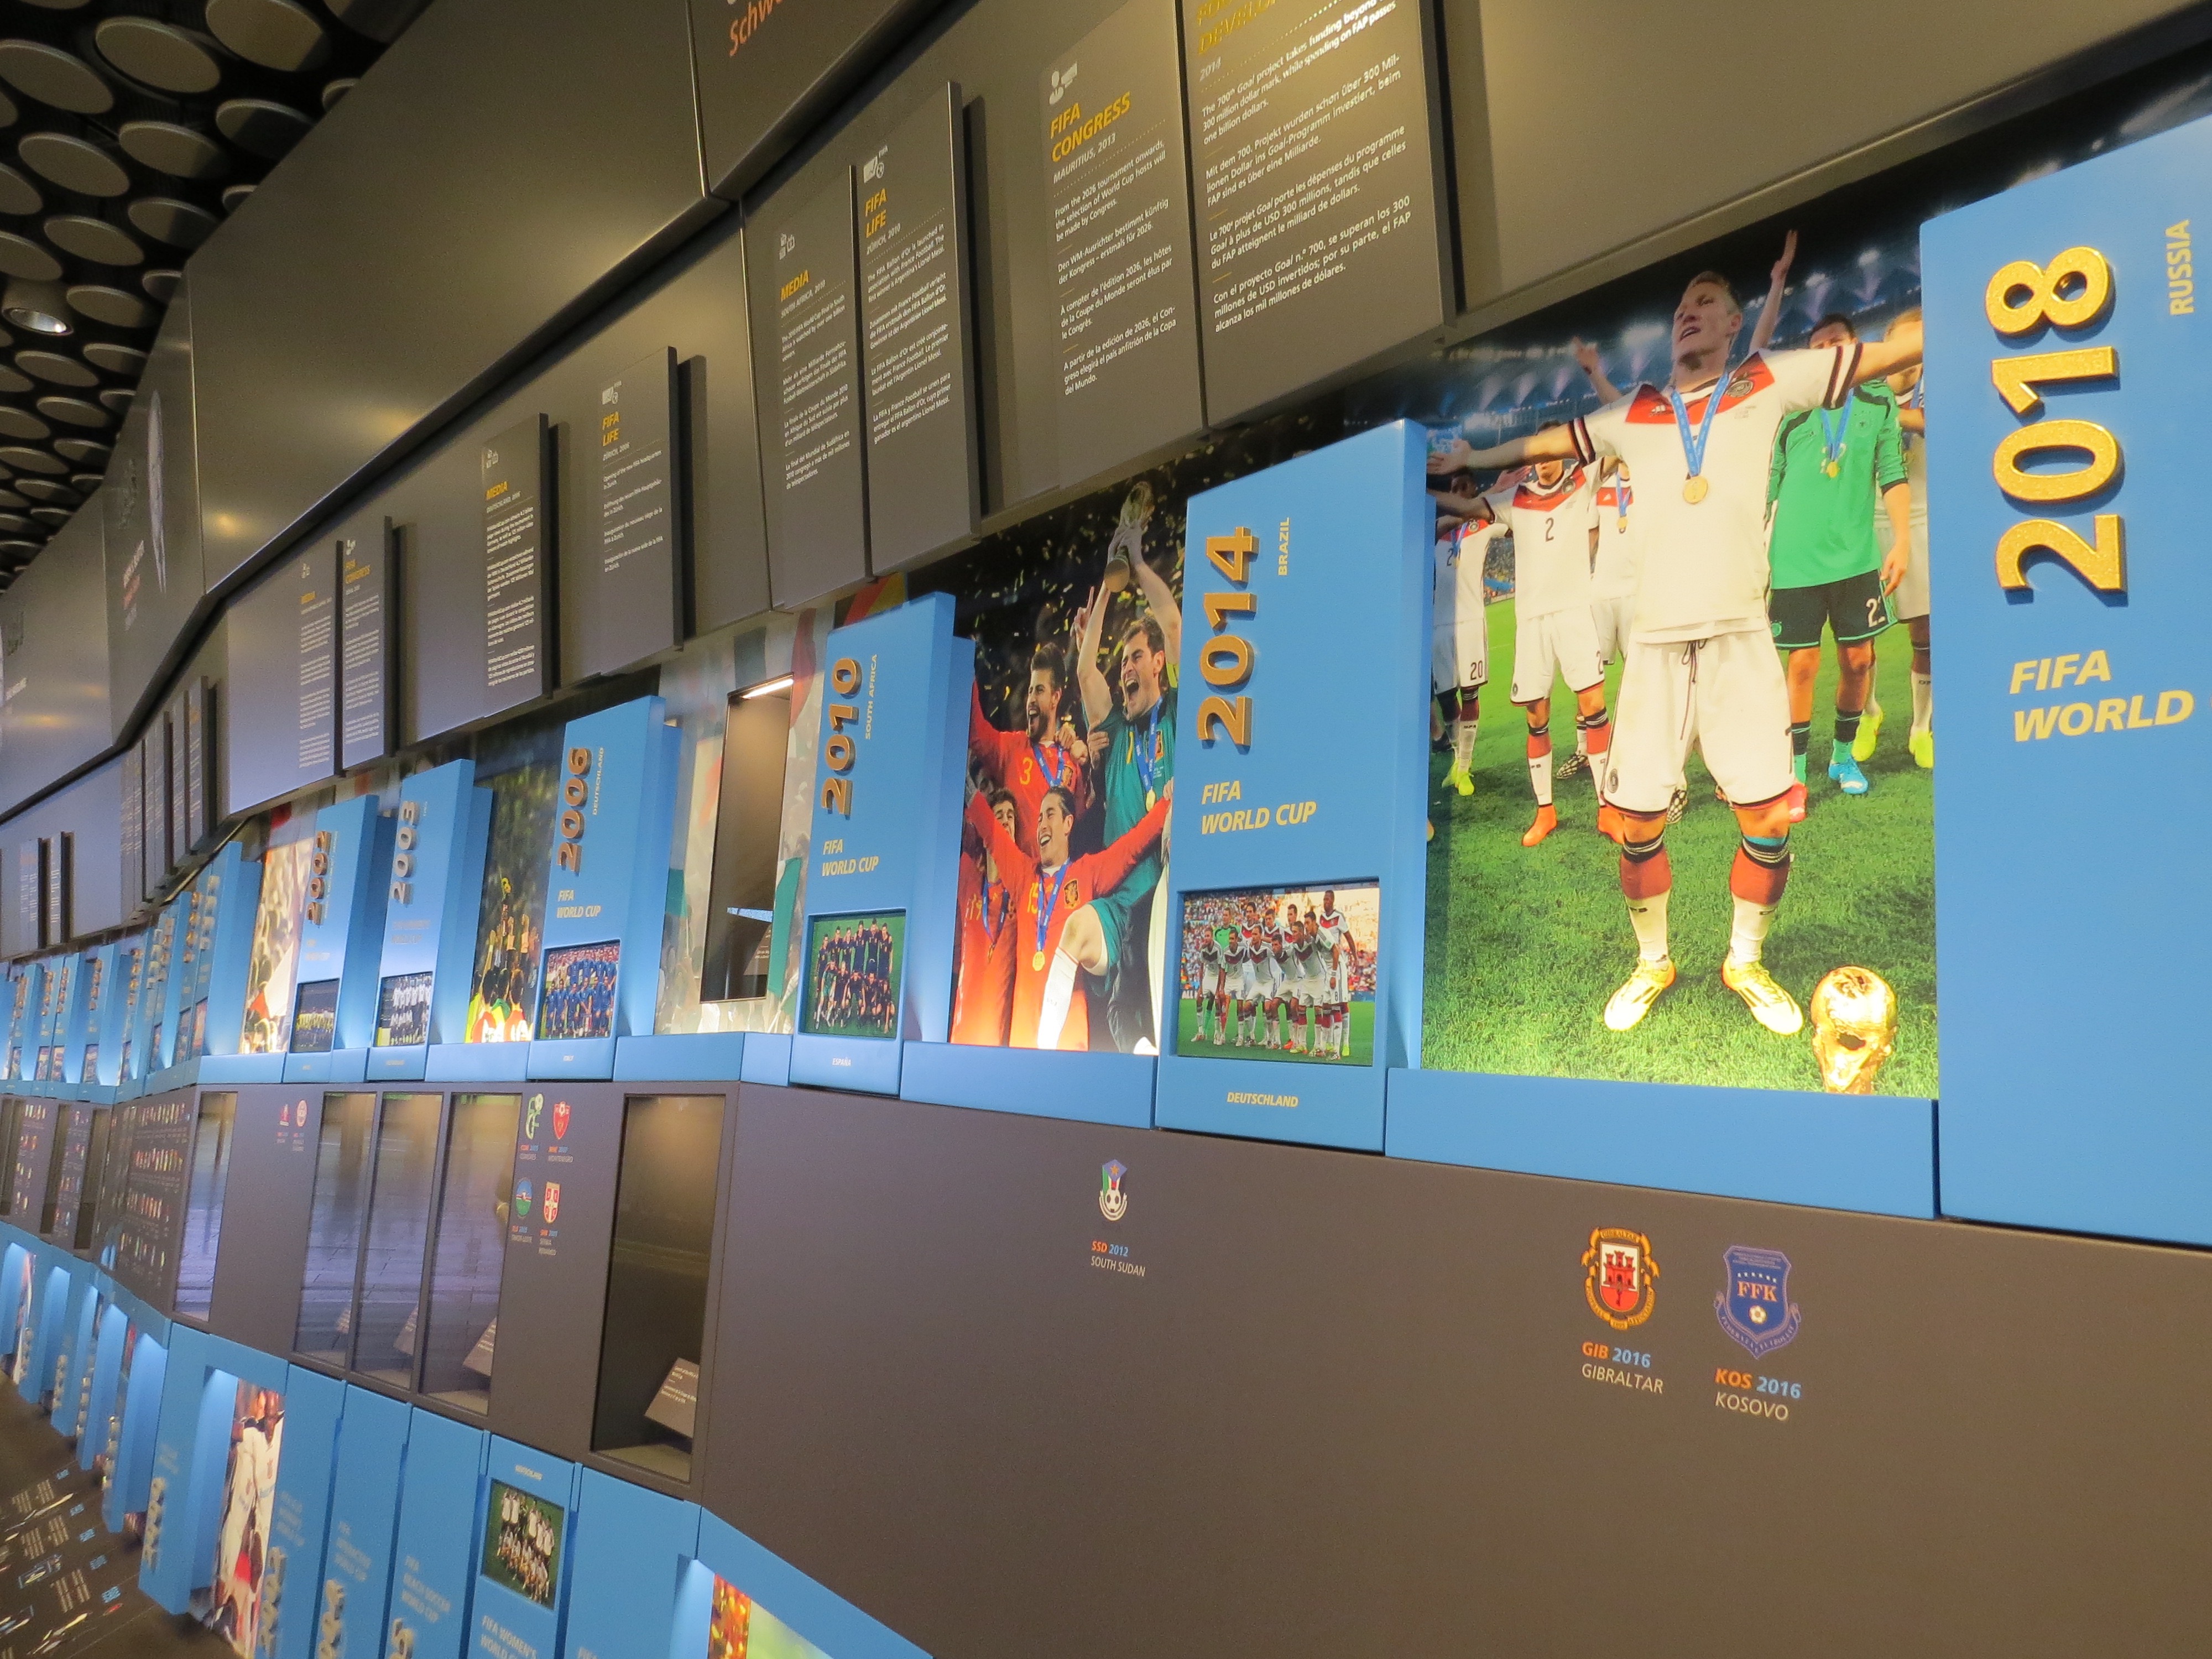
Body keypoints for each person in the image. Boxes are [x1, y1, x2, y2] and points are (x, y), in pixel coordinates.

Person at [1430, 264, 1922, 1039]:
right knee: (1634, 826)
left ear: (1734, 323)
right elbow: (1549, 440)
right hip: (1655, 648)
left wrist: (1965, 300)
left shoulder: (1767, 380)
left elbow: (1887, 355)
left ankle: (1745, 961)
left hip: (1740, 637)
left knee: (1768, 819)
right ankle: (1653, 961)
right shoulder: (1637, 411)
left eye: (1706, 303)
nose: (1688, 313)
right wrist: (1475, 454)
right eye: (1682, 306)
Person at [1764, 311, 1910, 814]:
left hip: (1856, 558)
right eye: (1819, 345)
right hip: (1795, 560)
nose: (1828, 352)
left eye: (1836, 343)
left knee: (1859, 661)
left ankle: (1843, 758)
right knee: (1802, 666)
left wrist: (1903, 541)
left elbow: (1892, 472)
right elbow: (1769, 484)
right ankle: (1796, 773)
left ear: (1855, 348)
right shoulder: (1790, 409)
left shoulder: (1878, 401)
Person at [964, 782, 1171, 1050]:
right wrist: (967, 788)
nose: (1042, 825)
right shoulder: (1024, 876)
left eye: (1050, 815)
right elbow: (992, 833)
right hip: (1023, 1040)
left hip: (1069, 1041)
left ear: (1068, 824)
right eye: (1039, 818)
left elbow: (1131, 846)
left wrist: (1167, 802)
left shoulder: (1085, 872)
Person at [1073, 546, 1181, 1052]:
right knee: (1123, 1017)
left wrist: (1136, 562)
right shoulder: (1114, 730)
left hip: (1170, 889)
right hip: (1123, 901)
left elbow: (1174, 625)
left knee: (1161, 1020)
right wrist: (1107, 590)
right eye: (1123, 662)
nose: (1126, 669)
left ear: (1158, 662)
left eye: (1136, 656)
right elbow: (1085, 673)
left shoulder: (1178, 712)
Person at [1491, 443, 1610, 846]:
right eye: (1537, 458)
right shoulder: (1515, 499)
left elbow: (1617, 448)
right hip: (1532, 622)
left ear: (1563, 455)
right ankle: (1546, 811)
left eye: (1550, 454)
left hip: (1574, 613)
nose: (1544, 463)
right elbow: (1467, 509)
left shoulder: (1582, 480)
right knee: (1536, 716)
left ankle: (1607, 808)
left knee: (1594, 707)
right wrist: (1492, 488)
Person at [1871, 306, 1932, 768]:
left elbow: (1933, 422)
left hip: (1923, 519)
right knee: (1858, 637)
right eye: (1904, 342)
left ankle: (1921, 729)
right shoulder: (1864, 391)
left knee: (1924, 632)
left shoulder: (1939, 387)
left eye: (1920, 342)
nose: (1911, 352)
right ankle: (1866, 715)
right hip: (1867, 521)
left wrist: (1889, 413)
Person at [969, 646, 1089, 858]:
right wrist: (968, 669)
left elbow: (1082, 824)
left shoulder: (1071, 760)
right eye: (1030, 691)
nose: (1031, 699)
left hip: (1059, 876)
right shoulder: (1011, 747)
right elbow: (976, 733)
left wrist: (1087, 761)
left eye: (1039, 690)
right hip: (1019, 875)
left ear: (1055, 697)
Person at [1428, 474, 1500, 799]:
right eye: (1452, 489)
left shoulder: (1484, 526)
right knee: (1446, 699)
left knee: (1470, 696)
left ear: (1473, 490)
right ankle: (1458, 762)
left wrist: (1496, 496)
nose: (1457, 492)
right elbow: (1450, 519)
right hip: (1438, 626)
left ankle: (1465, 766)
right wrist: (1480, 501)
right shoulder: (1437, 530)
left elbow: (1509, 520)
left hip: (1471, 622)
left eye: (1463, 488)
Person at [951, 789, 1019, 1045]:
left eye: (1011, 816)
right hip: (959, 1036)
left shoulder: (1023, 888)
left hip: (997, 1043)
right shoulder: (967, 874)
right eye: (998, 816)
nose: (1005, 821)